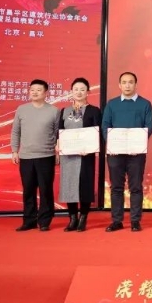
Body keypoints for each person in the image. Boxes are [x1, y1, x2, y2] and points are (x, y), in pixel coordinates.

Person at [102, 72, 152, 232]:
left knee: (136, 187)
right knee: (116, 187)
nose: (127, 85)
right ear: (119, 85)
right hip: (115, 153)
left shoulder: (145, 104)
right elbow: (105, 125)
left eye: (130, 82)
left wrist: (136, 144)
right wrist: (112, 144)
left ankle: (135, 221)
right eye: (124, 82)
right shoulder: (112, 104)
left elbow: (149, 127)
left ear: (135, 85)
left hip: (136, 153)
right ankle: (117, 220)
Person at [11, 79, 59, 232]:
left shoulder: (54, 111)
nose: (35, 92)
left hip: (46, 155)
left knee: (45, 190)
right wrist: (14, 150)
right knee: (28, 190)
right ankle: (29, 220)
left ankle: (44, 221)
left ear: (46, 93)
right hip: (26, 156)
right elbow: (16, 131)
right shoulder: (22, 109)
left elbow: (57, 134)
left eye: (38, 90)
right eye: (32, 90)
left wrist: (57, 151)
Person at [57, 78, 101, 232]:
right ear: (71, 91)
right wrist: (59, 146)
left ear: (88, 92)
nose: (79, 92)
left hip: (85, 155)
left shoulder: (94, 110)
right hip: (68, 155)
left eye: (82, 89)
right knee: (69, 185)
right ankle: (72, 218)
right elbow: (60, 132)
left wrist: (91, 148)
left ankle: (83, 217)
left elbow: (97, 132)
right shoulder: (64, 111)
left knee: (85, 185)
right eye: (76, 89)